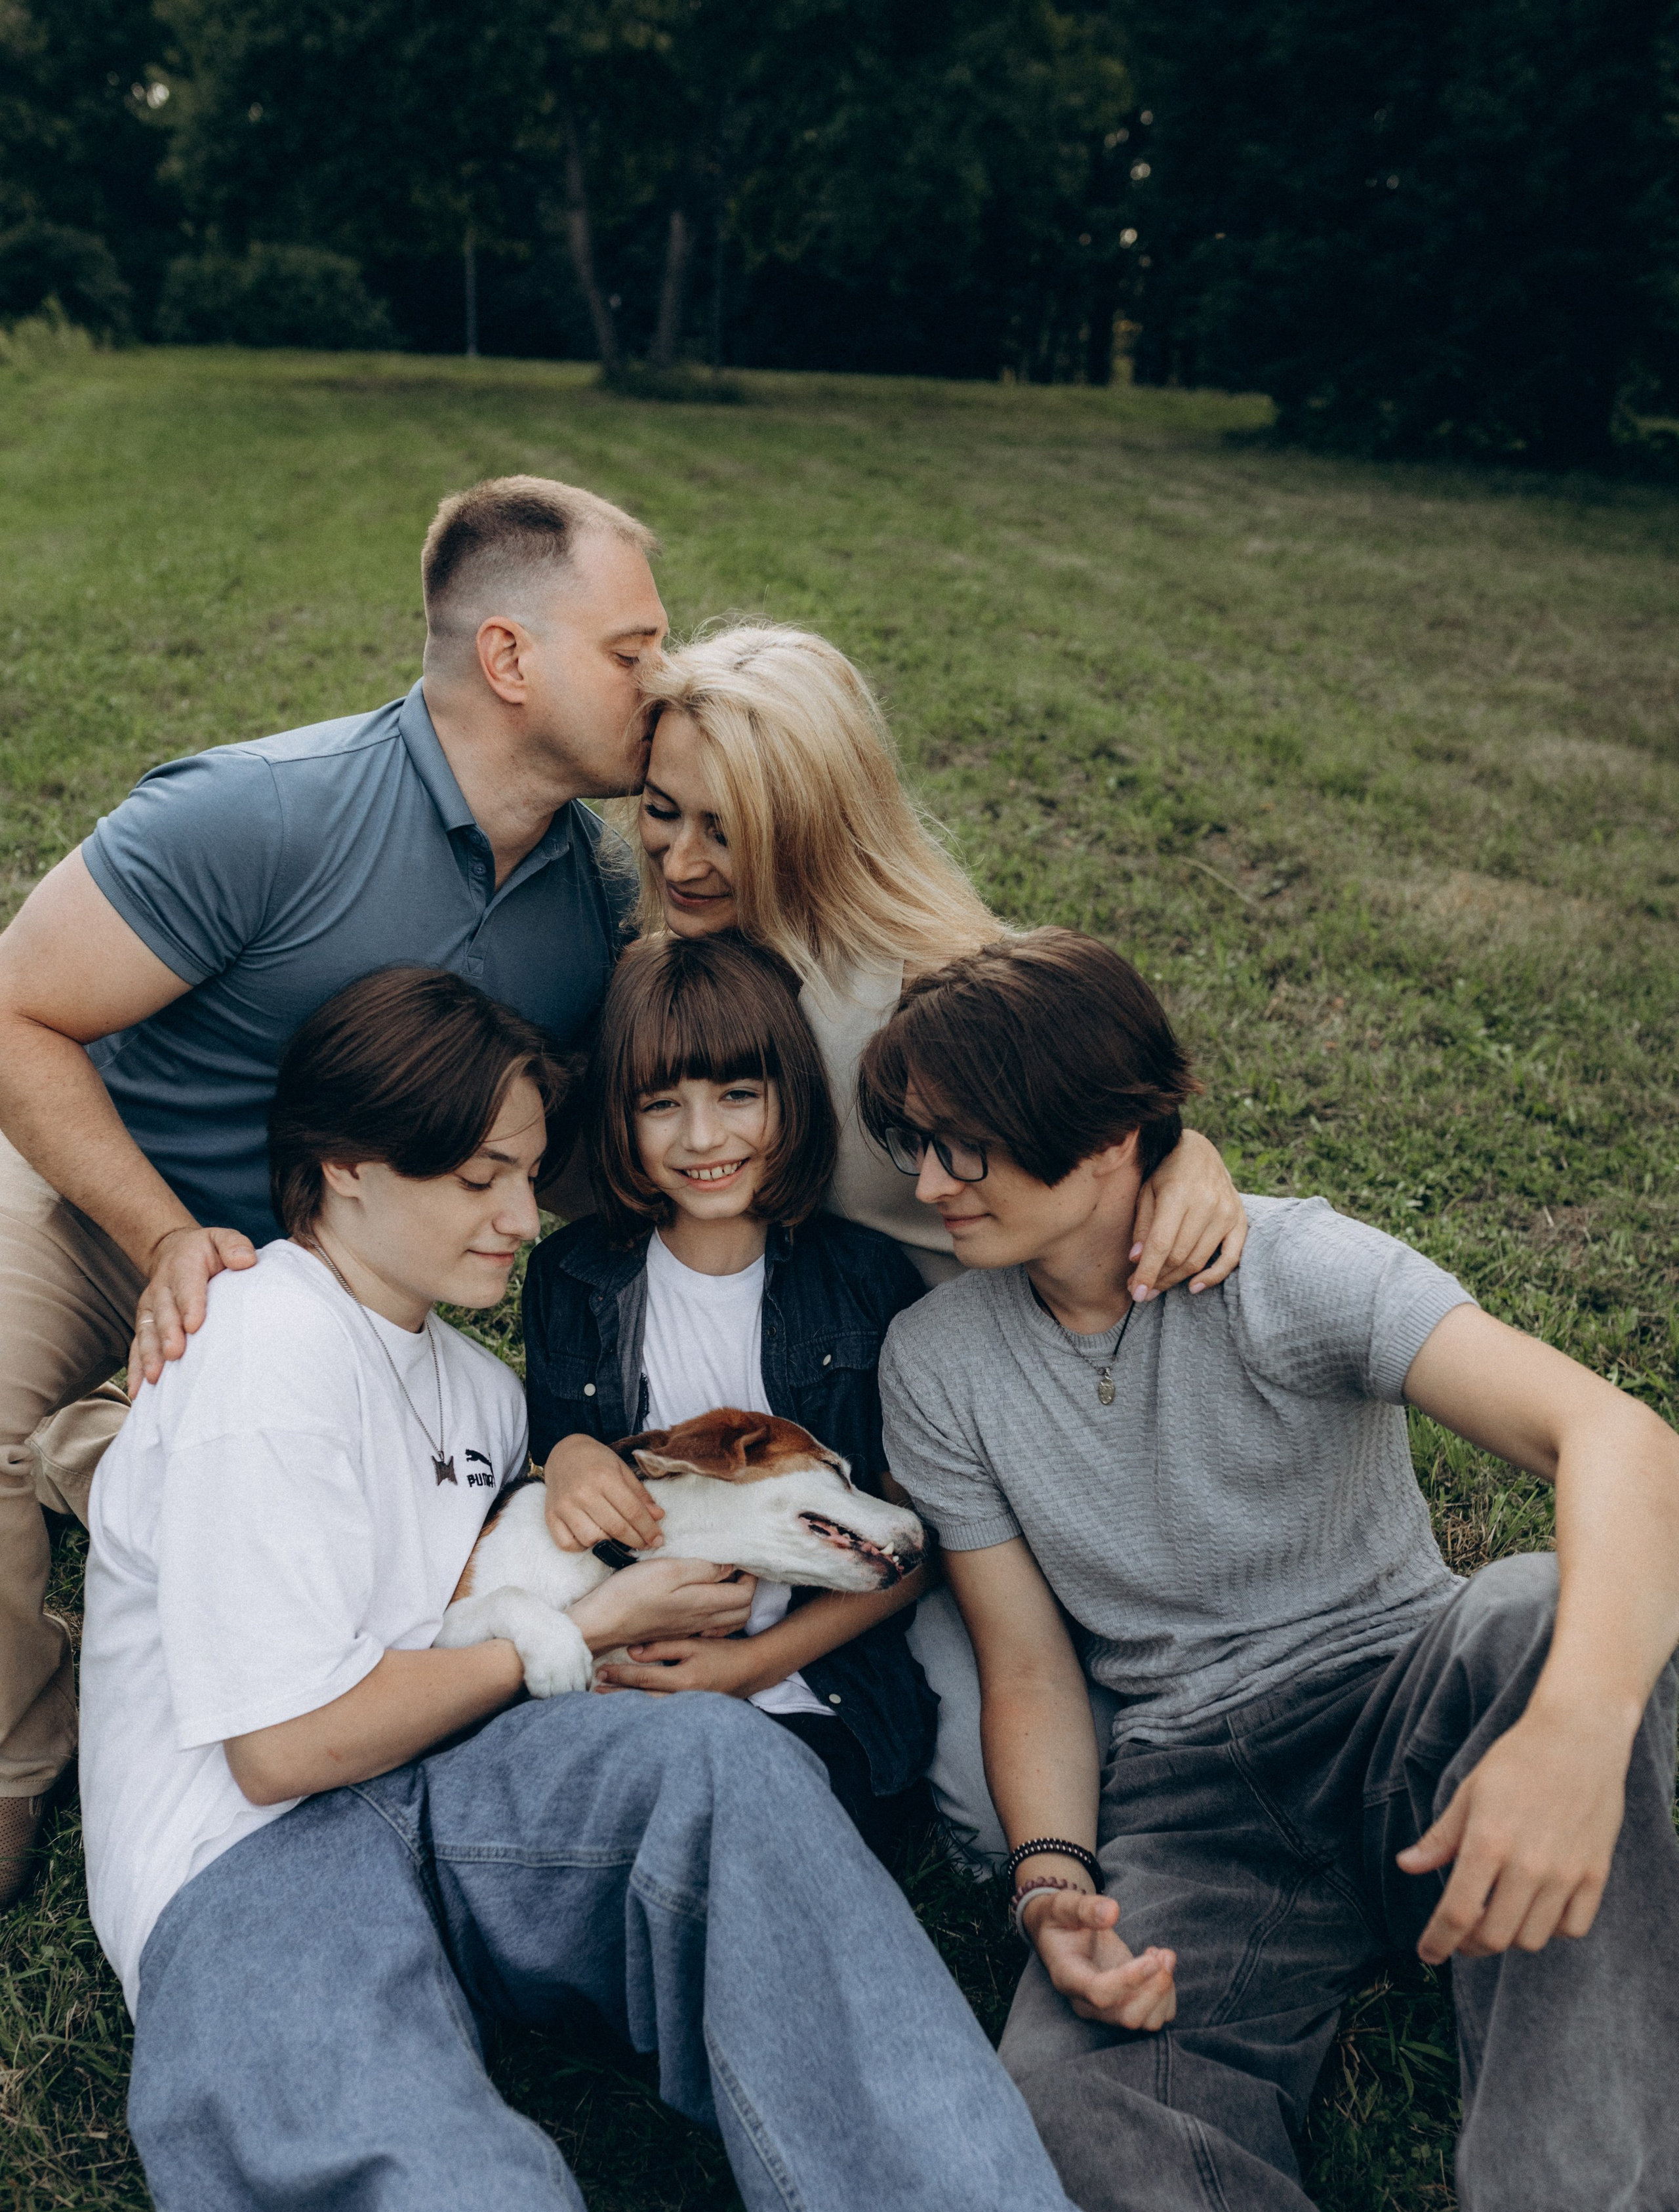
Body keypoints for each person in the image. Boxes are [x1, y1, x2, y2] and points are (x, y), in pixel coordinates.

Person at [80, 962, 1274, 2212]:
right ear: (343, 1172)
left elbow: (559, 1529)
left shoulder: (469, 1374)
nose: (520, 1215)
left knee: (731, 1771)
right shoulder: (264, 1347)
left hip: (463, 1787)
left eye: (525, 1172)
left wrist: (1177, 1150)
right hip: (251, 1870)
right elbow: (284, 1749)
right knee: (429, 2193)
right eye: (478, 1178)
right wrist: (582, 1633)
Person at [864, 929, 1679, 2212]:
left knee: (1532, 1610)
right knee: (1069, 2086)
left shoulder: (1288, 1265)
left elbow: (1615, 1436)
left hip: (1399, 1695)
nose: (929, 1178)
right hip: (1191, 1790)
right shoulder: (936, 1359)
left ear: (1108, 1138)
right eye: (910, 1140)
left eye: (963, 1142)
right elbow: (1026, 1662)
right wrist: (1052, 1883)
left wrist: (1574, 1732)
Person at [0, 472, 667, 1905]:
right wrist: (166, 1235)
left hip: (354, 1272)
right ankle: (13, 1791)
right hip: (111, 1200)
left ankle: (128, 1469)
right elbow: (15, 1012)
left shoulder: (596, 902)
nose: (659, 681)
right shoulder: (260, 815)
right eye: (631, 649)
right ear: (509, 657)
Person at [627, 620, 1250, 1855]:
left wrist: (1194, 1155)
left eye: (727, 830)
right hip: (852, 1421)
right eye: (660, 812)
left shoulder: (918, 984)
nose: (683, 861)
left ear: (812, 822)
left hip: (1007, 1399)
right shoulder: (666, 982)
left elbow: (1104, 1115)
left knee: (1026, 1770)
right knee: (969, 1794)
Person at [522, 930, 935, 1864]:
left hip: (816, 1685)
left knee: (759, 1844)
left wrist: (747, 1667)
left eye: (738, 1095)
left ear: (791, 1093)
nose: (703, 1139)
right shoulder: (571, 1279)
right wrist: (572, 1457)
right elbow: (556, 1467)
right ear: (619, 1121)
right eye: (661, 1104)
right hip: (626, 1671)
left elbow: (915, 1545)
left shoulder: (864, 1282)